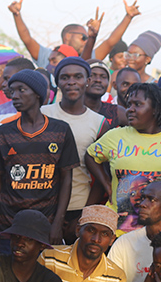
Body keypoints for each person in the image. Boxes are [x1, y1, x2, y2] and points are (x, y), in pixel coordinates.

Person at [0, 68, 78, 251]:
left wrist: (58, 223)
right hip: (8, 226)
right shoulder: (2, 133)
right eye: (12, 91)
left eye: (21, 90)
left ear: (37, 94)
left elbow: (66, 179)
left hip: (46, 225)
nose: (15, 96)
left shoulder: (60, 130)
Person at [86, 82, 161, 233]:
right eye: (129, 105)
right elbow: (90, 156)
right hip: (117, 231)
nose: (130, 109)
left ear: (155, 109)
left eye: (138, 104)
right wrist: (106, 183)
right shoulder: (116, 136)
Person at [41, 58, 111, 240]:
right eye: (65, 77)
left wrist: (84, 215)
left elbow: (100, 174)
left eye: (78, 77)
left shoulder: (99, 123)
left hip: (78, 206)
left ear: (87, 81)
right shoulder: (42, 113)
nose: (71, 82)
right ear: (57, 82)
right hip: (41, 204)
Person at [8, 0, 85, 69]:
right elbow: (27, 39)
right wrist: (16, 14)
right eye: (84, 37)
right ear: (68, 36)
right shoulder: (49, 54)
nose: (50, 65)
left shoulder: (86, 59)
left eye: (54, 62)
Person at [83, 59, 120, 124]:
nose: (98, 80)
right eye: (92, 76)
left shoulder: (117, 112)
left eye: (103, 77)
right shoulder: (70, 110)